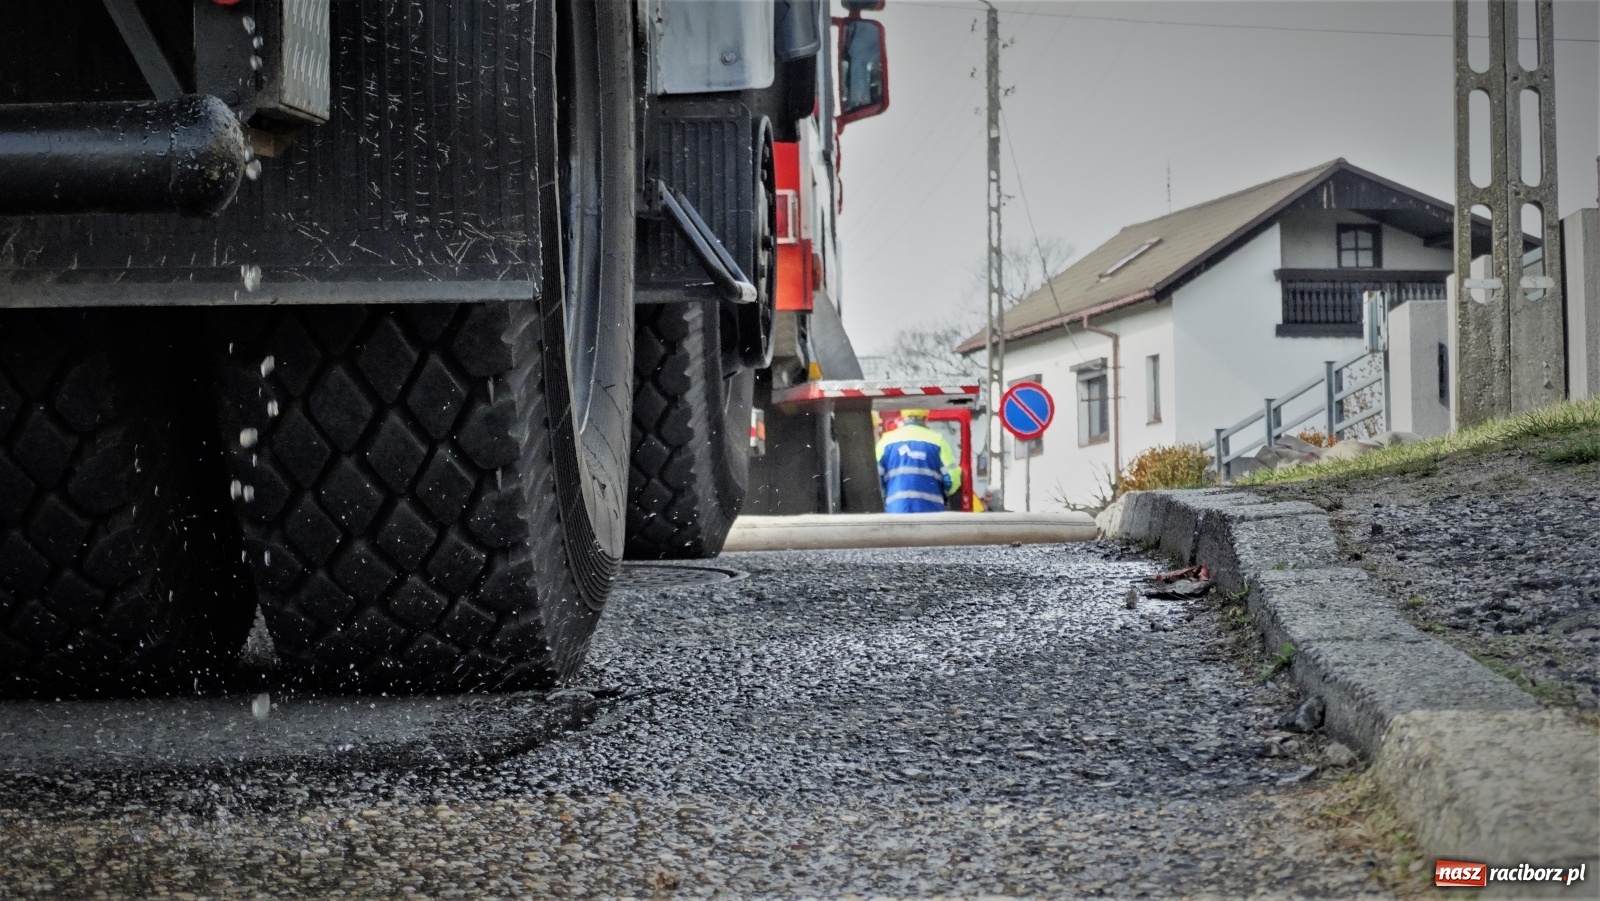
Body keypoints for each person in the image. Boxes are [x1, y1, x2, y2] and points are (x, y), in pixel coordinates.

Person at [876, 409, 961, 513]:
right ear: (926, 419)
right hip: (931, 514)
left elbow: (875, 480)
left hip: (896, 512)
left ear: (902, 418)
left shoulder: (885, 441)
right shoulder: (938, 441)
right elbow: (952, 480)